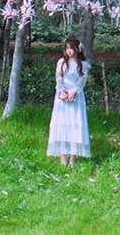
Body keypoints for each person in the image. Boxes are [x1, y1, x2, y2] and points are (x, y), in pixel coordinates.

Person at [47, 36, 91, 166]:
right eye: (67, 48)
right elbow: (58, 78)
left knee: (75, 124)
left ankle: (73, 157)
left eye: (72, 48)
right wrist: (61, 91)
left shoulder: (83, 64)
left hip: (76, 96)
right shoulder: (61, 62)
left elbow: (82, 81)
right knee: (61, 123)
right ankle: (62, 156)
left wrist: (74, 91)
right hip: (62, 96)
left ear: (78, 49)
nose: (69, 51)